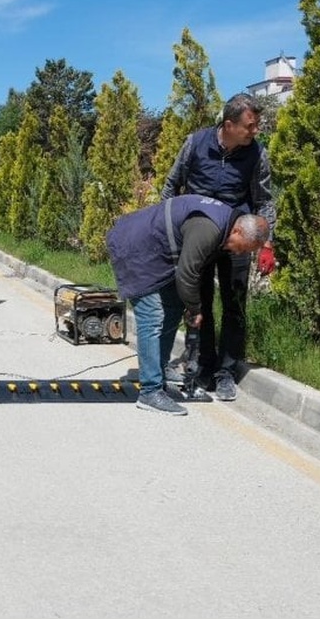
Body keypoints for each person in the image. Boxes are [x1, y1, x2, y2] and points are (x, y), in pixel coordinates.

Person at [160, 93, 277, 402]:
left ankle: (226, 371)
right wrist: (170, 230)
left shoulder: (256, 154)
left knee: (234, 304)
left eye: (257, 126)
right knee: (200, 302)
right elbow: (171, 186)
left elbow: (264, 201)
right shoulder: (196, 144)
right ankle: (202, 365)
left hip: (236, 239)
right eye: (250, 126)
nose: (256, 131)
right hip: (198, 237)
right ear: (229, 124)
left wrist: (267, 244)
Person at [107, 194, 270, 416]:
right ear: (238, 231)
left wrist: (190, 305)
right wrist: (195, 308)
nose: (240, 252)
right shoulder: (209, 228)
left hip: (158, 254)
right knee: (152, 316)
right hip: (136, 248)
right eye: (243, 247)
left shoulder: (226, 224)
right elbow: (187, 274)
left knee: (173, 305)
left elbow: (190, 273)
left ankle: (159, 374)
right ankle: (150, 391)